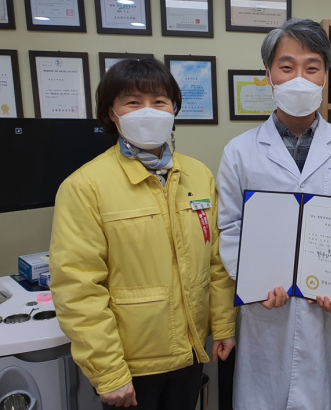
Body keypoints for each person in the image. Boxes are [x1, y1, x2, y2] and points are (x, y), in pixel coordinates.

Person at [49, 59, 237, 410]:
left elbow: (217, 261)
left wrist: (224, 326)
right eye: (133, 102)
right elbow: (78, 288)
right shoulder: (85, 186)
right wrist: (109, 373)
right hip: (131, 365)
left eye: (159, 101)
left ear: (173, 109)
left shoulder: (198, 175)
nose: (148, 111)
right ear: (112, 113)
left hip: (191, 352)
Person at [217, 18, 331, 410]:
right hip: (265, 309)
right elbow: (230, 228)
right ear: (268, 75)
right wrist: (254, 284)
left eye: (312, 67)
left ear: (325, 75)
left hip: (327, 310)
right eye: (287, 67)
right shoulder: (239, 151)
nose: (299, 79)